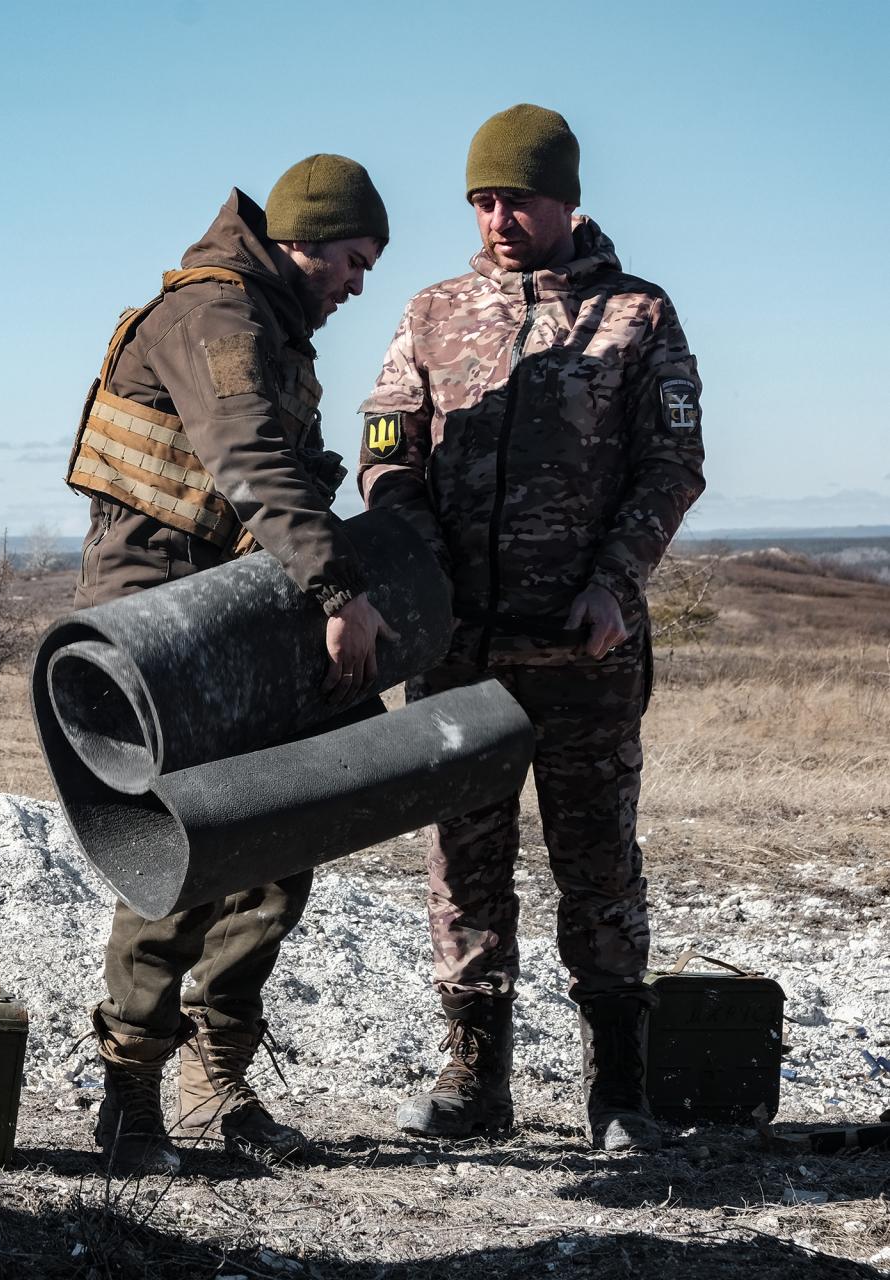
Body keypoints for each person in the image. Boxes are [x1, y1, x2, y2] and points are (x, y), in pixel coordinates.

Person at [357, 105, 705, 1152]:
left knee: (594, 861)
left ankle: (618, 1089)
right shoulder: (429, 313)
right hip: (457, 652)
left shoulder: (634, 315)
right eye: (480, 199)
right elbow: (383, 454)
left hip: (583, 648)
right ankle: (475, 1078)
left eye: (516, 198)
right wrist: (418, 567)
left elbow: (670, 465)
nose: (496, 217)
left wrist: (612, 578)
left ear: (565, 201)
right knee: (462, 865)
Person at [65, 154, 393, 1172]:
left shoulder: (269, 324)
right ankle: (127, 1097)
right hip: (162, 620)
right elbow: (249, 462)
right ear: (302, 241)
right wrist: (338, 592)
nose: (354, 283)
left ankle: (217, 1078)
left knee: (276, 835)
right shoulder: (216, 316)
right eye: (349, 259)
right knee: (186, 849)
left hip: (234, 608)